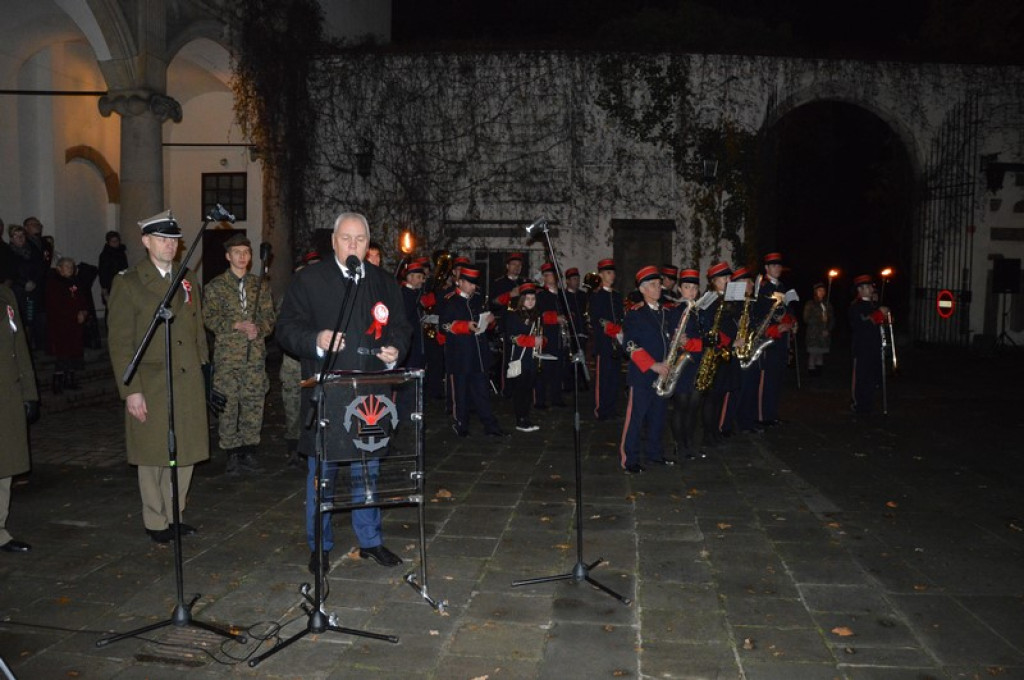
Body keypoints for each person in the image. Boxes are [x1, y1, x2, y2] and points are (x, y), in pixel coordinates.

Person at [276, 212, 411, 573]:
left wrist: (395, 349)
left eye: (361, 239)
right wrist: (315, 340)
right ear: (334, 241)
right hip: (329, 394)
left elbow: (400, 326)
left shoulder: (384, 281)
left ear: (369, 243)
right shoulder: (310, 280)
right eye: (346, 238)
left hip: (371, 395)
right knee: (323, 474)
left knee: (368, 472)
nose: (353, 245)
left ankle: (370, 540)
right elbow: (286, 328)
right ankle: (319, 544)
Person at [107, 211, 209, 544]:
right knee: (153, 454)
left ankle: (175, 514)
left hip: (187, 379)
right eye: (162, 240)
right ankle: (155, 520)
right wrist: (130, 391)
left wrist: (204, 368)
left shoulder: (187, 278)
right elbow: (120, 343)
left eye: (174, 240)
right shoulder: (129, 282)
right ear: (146, 241)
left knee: (186, 451)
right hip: (150, 381)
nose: (170, 246)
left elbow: (196, 329)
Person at [203, 233, 276, 474]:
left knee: (253, 403)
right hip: (228, 358)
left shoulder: (260, 286)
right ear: (228, 256)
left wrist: (260, 329)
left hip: (254, 357)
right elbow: (209, 317)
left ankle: (249, 451)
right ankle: (232, 453)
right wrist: (235, 325)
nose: (242, 257)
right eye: (237, 252)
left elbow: (269, 318)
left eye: (246, 252)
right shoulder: (215, 286)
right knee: (229, 406)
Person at [620, 266, 693, 473]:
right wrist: (653, 365)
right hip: (643, 375)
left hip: (664, 373)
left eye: (658, 283)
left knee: (658, 417)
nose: (658, 287)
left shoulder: (666, 312)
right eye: (653, 284)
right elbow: (629, 344)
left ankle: (655, 454)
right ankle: (629, 459)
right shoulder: (636, 314)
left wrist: (679, 341)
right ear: (643, 289)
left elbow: (669, 339)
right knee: (636, 418)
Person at [440, 265, 507, 437]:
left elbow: (482, 321)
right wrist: (465, 326)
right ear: (460, 282)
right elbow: (443, 326)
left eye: (474, 284)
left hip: (478, 354)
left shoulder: (477, 299)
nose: (473, 287)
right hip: (460, 356)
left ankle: (490, 426)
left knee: (482, 393)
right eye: (469, 283)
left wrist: (490, 321)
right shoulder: (450, 300)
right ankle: (461, 425)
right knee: (460, 394)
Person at [0, 283, 38, 554]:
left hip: (6, 391)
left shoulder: (6, 293)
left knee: (4, 465)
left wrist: (29, 392)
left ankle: (0, 531)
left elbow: (19, 345)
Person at [280, 251, 321, 468]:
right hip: (294, 358)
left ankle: (307, 446)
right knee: (293, 403)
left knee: (311, 404)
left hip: (314, 358)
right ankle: (293, 446)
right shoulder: (295, 290)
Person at [666, 268, 705, 460]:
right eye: (687, 287)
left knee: (694, 405)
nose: (690, 291)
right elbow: (669, 336)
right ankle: (679, 443)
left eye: (694, 288)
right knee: (681, 405)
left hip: (697, 362)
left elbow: (706, 337)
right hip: (682, 362)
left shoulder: (700, 311)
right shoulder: (675, 311)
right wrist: (676, 338)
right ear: (680, 289)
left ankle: (689, 442)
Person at [755, 252, 798, 427]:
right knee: (767, 378)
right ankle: (762, 415)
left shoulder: (783, 286)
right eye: (774, 266)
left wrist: (792, 322)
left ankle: (772, 413)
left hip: (782, 337)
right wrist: (776, 325)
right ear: (766, 268)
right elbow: (760, 312)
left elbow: (788, 309)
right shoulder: (763, 287)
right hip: (769, 337)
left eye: (779, 266)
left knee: (778, 378)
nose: (777, 268)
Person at [503, 282, 544, 432]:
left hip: (532, 358)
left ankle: (526, 418)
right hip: (519, 359)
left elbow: (541, 335)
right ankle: (520, 420)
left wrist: (542, 341)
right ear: (522, 300)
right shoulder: (514, 315)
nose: (531, 302)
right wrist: (532, 340)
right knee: (520, 391)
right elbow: (512, 337)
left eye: (533, 299)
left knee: (528, 390)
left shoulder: (537, 316)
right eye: (528, 299)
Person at [45, 257, 89, 392]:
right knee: (62, 353)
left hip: (74, 325)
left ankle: (70, 379)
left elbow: (82, 299)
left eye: (72, 266)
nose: (70, 269)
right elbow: (55, 305)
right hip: (61, 325)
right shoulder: (54, 284)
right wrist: (73, 314)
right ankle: (58, 383)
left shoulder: (74, 283)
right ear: (59, 268)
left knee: (72, 353)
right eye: (67, 266)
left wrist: (83, 311)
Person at [849, 274, 889, 414]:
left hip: (874, 346)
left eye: (871, 286)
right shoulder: (856, 306)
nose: (871, 289)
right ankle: (859, 404)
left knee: (872, 377)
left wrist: (886, 317)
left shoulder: (874, 305)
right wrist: (878, 315)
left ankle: (869, 404)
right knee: (861, 377)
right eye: (868, 286)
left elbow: (880, 324)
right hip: (862, 348)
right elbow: (862, 324)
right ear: (860, 289)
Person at [589, 258, 624, 420]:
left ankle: (611, 407)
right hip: (604, 342)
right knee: (603, 378)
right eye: (608, 272)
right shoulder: (596, 295)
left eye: (613, 272)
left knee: (615, 377)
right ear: (601, 275)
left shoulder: (617, 295)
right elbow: (596, 319)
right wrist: (610, 328)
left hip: (617, 341)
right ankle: (601, 409)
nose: (612, 275)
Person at [534, 262, 567, 409]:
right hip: (547, 336)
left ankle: (556, 398)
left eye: (553, 274)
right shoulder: (541, 295)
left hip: (561, 337)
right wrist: (556, 318)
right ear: (544, 277)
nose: (551, 277)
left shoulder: (562, 295)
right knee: (544, 371)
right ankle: (539, 401)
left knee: (558, 370)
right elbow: (539, 315)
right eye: (547, 275)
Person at [802, 282, 834, 376]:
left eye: (823, 290)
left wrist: (828, 329)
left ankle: (819, 373)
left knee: (820, 354)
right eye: (819, 290)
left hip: (824, 334)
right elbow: (806, 318)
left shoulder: (827, 304)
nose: (822, 292)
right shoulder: (810, 304)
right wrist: (820, 318)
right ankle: (811, 372)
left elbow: (832, 319)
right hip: (814, 334)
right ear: (815, 292)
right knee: (813, 353)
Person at [98, 230, 129, 308]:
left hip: (121, 282)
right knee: (111, 306)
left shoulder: (121, 253)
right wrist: (104, 287)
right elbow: (103, 272)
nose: (115, 243)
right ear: (108, 242)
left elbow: (125, 267)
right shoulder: (105, 255)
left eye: (117, 241)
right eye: (113, 241)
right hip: (110, 284)